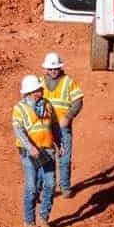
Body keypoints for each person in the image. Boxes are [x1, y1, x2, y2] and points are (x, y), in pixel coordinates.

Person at [11, 75, 62, 227]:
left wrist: (60, 144)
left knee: (50, 183)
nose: (41, 90)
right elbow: (18, 131)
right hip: (29, 153)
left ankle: (44, 217)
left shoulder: (47, 105)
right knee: (32, 187)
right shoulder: (19, 108)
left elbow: (54, 126)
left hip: (47, 150)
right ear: (31, 92)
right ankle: (29, 221)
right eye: (38, 89)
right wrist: (30, 147)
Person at [41, 52, 83, 196]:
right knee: (46, 159)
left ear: (60, 68)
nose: (53, 71)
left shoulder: (69, 81)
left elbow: (78, 101)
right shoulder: (40, 83)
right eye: (50, 69)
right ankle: (46, 188)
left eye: (56, 68)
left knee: (64, 158)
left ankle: (65, 186)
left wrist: (69, 116)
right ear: (45, 69)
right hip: (45, 129)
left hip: (63, 128)